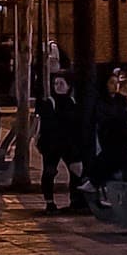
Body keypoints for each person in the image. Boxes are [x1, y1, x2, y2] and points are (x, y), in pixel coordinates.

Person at [35, 73, 85, 212]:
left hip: (68, 143)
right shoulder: (50, 103)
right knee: (49, 171)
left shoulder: (72, 103)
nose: (58, 86)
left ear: (68, 86)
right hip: (52, 144)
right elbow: (46, 124)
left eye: (61, 83)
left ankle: (75, 200)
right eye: (56, 83)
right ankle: (50, 202)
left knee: (76, 170)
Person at [88, 69, 127, 190]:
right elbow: (101, 120)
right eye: (112, 82)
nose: (115, 85)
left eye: (117, 82)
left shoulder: (124, 100)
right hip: (109, 137)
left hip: (125, 137)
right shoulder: (100, 101)